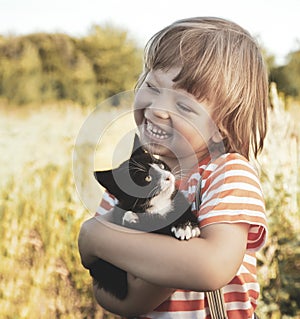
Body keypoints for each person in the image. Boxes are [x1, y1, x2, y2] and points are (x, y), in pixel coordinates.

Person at [78, 16, 268, 319]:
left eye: (183, 106)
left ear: (221, 126)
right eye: (152, 86)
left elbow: (211, 266)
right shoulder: (129, 179)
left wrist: (94, 236)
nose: (157, 109)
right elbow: (112, 294)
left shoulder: (228, 175)